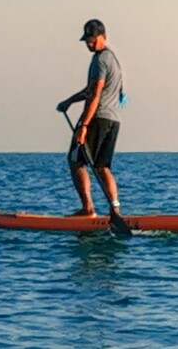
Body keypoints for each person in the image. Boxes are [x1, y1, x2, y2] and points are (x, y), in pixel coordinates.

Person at [56, 19, 125, 220]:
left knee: (75, 161)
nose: (90, 44)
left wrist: (84, 126)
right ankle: (115, 210)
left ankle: (88, 209)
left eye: (93, 39)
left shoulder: (101, 60)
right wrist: (70, 101)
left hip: (97, 119)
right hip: (112, 120)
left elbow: (95, 94)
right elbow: (93, 90)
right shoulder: (113, 59)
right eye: (87, 40)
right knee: (102, 166)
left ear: (104, 37)